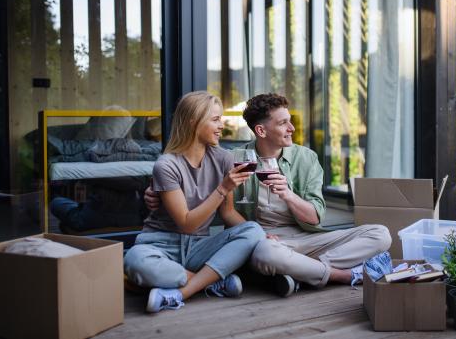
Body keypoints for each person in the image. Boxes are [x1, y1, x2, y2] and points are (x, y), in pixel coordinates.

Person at [145, 93, 392, 297]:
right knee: (267, 252)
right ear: (261, 131)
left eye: (290, 121)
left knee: (380, 234)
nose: (292, 128)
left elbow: (316, 218)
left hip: (306, 238)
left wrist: (288, 195)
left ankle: (299, 272)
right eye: (283, 123)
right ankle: (345, 275)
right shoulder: (236, 160)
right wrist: (157, 194)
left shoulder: (306, 158)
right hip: (265, 242)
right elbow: (208, 195)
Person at [124, 91, 266, 313]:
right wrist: (223, 188)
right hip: (161, 245)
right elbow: (187, 224)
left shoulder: (223, 159)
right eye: (215, 120)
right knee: (134, 260)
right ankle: (212, 282)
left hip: (200, 246)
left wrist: (263, 237)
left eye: (221, 119)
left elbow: (227, 214)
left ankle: (182, 292)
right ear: (193, 123)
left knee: (254, 231)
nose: (222, 126)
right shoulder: (167, 165)